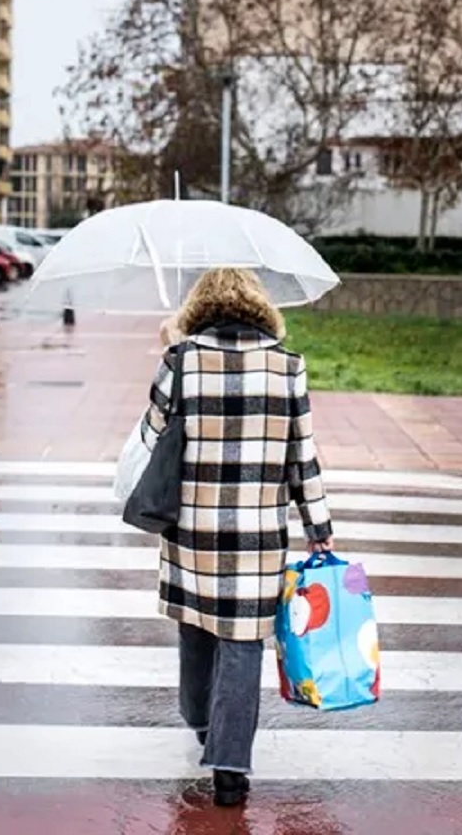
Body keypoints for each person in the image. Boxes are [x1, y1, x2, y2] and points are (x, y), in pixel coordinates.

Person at [139, 266, 334, 809]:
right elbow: (304, 457)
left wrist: (169, 352)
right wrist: (318, 527)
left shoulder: (180, 362)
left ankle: (201, 721)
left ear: (200, 309)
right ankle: (230, 766)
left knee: (197, 628)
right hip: (257, 534)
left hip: (191, 527)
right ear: (258, 309)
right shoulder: (288, 368)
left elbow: (152, 434)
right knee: (242, 644)